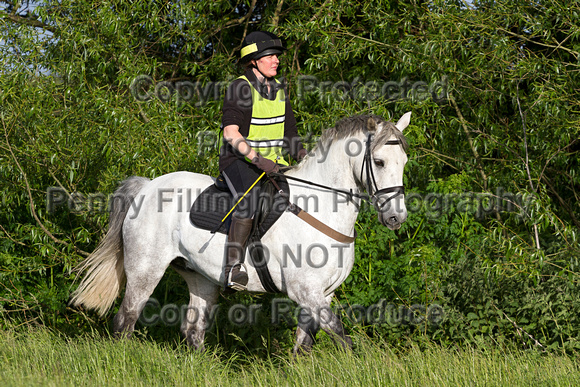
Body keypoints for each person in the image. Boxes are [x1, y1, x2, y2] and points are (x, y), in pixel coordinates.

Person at [219, 31, 307, 291]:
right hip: (239, 162)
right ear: (254, 61)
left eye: (277, 56)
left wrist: (303, 156)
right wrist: (258, 160)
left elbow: (289, 132)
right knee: (249, 198)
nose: (276, 60)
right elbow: (230, 133)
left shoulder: (279, 89)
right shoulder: (240, 87)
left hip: (274, 163)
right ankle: (233, 268)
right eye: (269, 56)